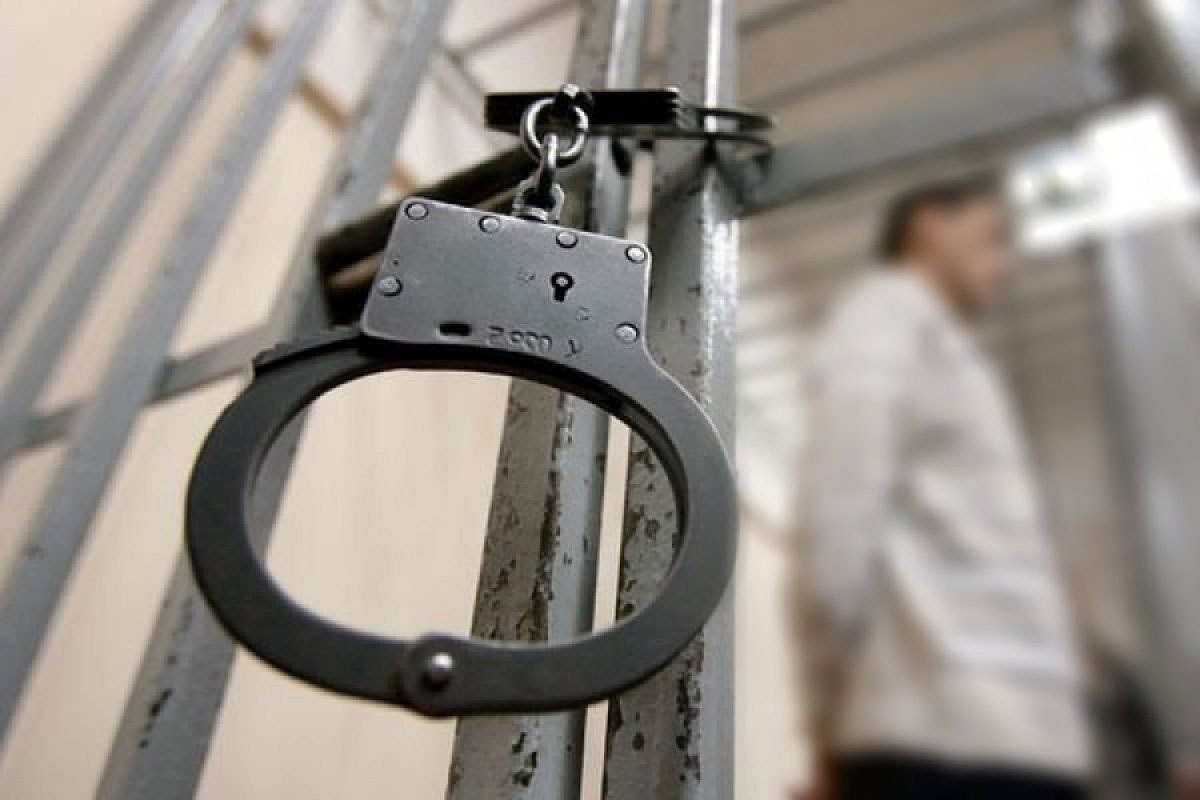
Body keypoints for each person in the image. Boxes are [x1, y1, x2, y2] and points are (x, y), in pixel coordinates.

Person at [792, 176, 1091, 799]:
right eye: (992, 238)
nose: (1005, 266)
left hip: (1001, 743)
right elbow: (837, 525)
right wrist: (828, 725)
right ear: (928, 222)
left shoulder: (940, 346)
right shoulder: (884, 320)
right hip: (944, 746)